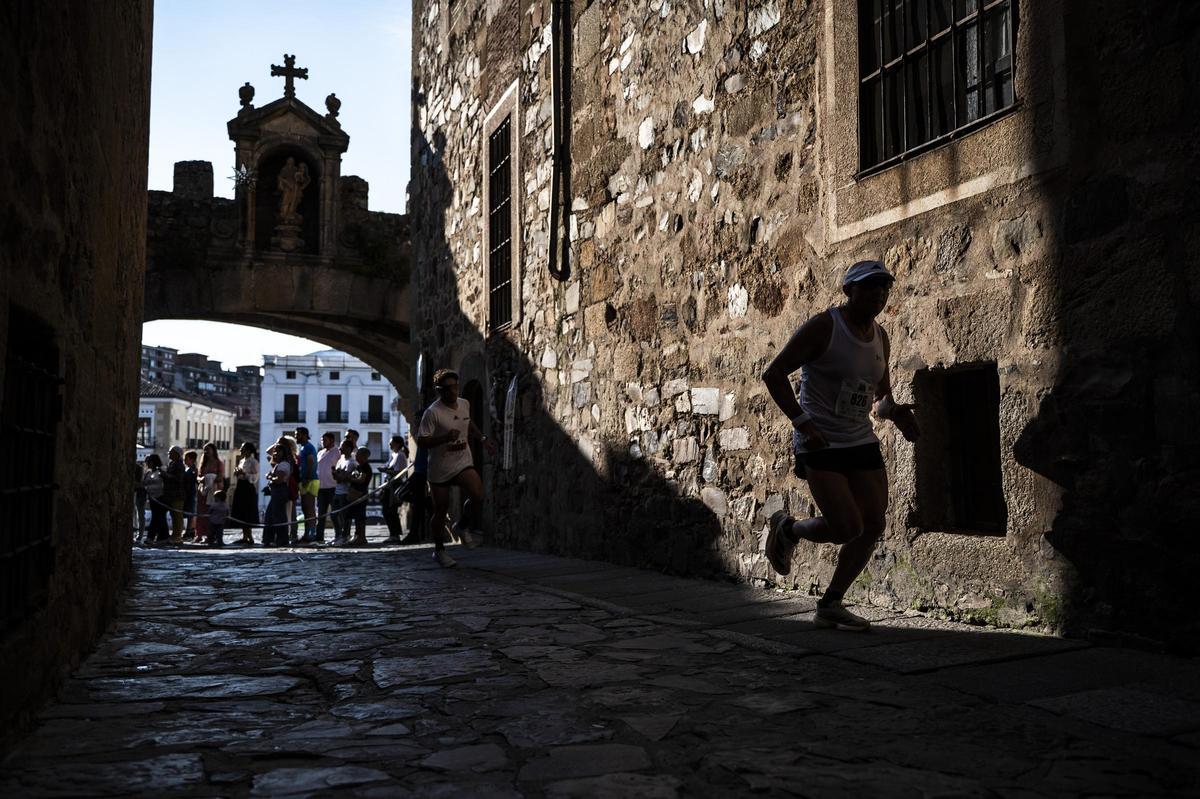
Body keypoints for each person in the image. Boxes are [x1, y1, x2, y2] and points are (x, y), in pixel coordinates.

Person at [761, 259, 920, 631]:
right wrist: (802, 422)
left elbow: (879, 398)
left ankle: (831, 603)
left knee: (873, 525)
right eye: (870, 286)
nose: (879, 293)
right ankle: (789, 529)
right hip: (820, 442)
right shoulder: (825, 327)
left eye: (884, 287)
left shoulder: (881, 337)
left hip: (859, 439)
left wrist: (896, 412)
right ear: (849, 291)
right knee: (847, 527)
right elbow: (773, 374)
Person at [416, 369, 496, 567]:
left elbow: (468, 423)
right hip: (439, 467)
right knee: (441, 508)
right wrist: (444, 438)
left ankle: (461, 525)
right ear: (439, 390)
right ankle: (439, 550)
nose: (452, 391)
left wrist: (483, 439)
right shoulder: (432, 413)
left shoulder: (464, 403)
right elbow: (422, 441)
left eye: (455, 387)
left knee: (478, 495)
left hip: (462, 461)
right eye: (447, 388)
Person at [380, 434, 409, 543]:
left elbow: (399, 473)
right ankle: (393, 533)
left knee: (390, 511)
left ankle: (395, 534)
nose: (389, 444)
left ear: (397, 444)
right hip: (389, 486)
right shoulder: (394, 455)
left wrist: (385, 471)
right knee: (387, 510)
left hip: (394, 486)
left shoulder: (400, 455)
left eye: (391, 442)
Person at [194, 443, 225, 544]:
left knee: (210, 513)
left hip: (213, 491)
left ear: (213, 451)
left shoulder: (218, 463)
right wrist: (202, 479)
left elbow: (220, 477)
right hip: (203, 491)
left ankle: (210, 535)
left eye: (208, 449)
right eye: (204, 450)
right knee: (200, 513)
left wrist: (210, 478)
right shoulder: (203, 463)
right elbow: (198, 476)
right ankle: (199, 534)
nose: (206, 452)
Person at [262, 446, 293, 547]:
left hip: (279, 491)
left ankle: (281, 539)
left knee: (278, 516)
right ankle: (271, 539)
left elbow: (279, 479)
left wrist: (270, 477)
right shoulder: (279, 464)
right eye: (275, 452)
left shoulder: (283, 464)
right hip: (277, 491)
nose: (275, 454)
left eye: (278, 452)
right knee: (271, 515)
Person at [230, 442, 260, 545]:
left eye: (243, 449)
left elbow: (255, 477)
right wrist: (237, 473)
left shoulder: (254, 462)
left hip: (248, 488)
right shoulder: (242, 461)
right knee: (241, 511)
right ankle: (245, 536)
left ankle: (250, 536)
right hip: (240, 486)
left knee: (247, 511)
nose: (241, 450)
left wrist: (244, 474)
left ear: (248, 450)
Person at [294, 427, 319, 543]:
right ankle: (307, 533)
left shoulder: (308, 447)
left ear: (304, 435)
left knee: (309, 508)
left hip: (310, 480)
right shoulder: (303, 447)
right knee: (305, 508)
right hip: (307, 480)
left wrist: (307, 478)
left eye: (297, 434)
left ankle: (311, 534)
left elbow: (311, 462)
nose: (295, 437)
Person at [345, 447, 374, 546]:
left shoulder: (366, 467)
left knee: (360, 516)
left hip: (360, 493)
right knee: (356, 516)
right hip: (355, 492)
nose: (356, 456)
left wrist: (350, 479)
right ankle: (357, 535)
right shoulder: (359, 466)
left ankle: (361, 537)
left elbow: (361, 480)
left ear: (363, 456)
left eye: (358, 454)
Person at [330, 438, 356, 545]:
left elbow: (346, 478)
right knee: (334, 515)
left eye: (343, 447)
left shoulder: (351, 463)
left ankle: (345, 536)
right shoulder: (340, 460)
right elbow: (337, 476)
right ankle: (338, 535)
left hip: (345, 492)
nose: (340, 449)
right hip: (337, 491)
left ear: (349, 449)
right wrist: (337, 474)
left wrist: (339, 475)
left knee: (345, 516)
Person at [315, 431, 339, 543]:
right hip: (321, 488)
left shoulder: (337, 452)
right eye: (322, 440)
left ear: (332, 440)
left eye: (325, 440)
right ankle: (319, 537)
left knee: (335, 514)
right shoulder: (320, 453)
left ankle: (338, 535)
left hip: (333, 487)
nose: (322, 442)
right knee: (320, 514)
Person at [163, 446, 187, 544]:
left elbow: (179, 479)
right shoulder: (172, 464)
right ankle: (174, 535)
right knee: (173, 515)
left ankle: (178, 536)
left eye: (171, 452)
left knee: (177, 516)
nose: (168, 453)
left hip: (177, 494)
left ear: (176, 454)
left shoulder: (179, 465)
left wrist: (166, 475)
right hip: (171, 494)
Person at [142, 454, 167, 545]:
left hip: (160, 497)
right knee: (158, 517)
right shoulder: (148, 473)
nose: (147, 464)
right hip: (152, 498)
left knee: (158, 517)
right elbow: (144, 483)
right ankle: (162, 536)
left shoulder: (161, 471)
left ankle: (152, 537)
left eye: (149, 462)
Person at [182, 450, 199, 542]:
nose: (184, 460)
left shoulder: (193, 470)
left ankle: (190, 531)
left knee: (190, 513)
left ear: (192, 459)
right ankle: (189, 531)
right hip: (188, 493)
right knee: (189, 512)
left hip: (191, 493)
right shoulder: (188, 469)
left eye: (186, 459)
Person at [133, 460, 147, 543]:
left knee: (140, 514)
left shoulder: (138, 468)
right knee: (138, 514)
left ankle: (139, 534)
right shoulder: (139, 467)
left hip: (139, 493)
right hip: (137, 493)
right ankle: (137, 533)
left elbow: (139, 482)